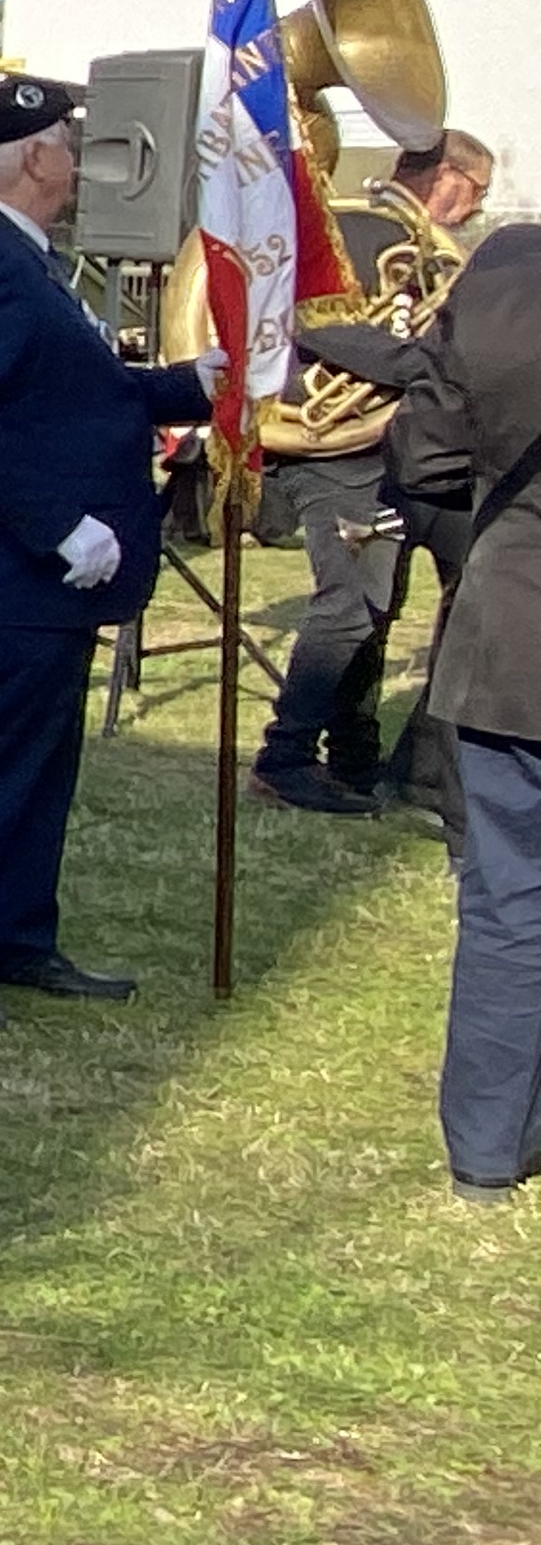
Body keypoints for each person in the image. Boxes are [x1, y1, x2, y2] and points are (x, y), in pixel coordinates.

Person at [0, 75, 220, 1031]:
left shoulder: (7, 255)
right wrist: (58, 525)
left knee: (36, 767)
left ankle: (16, 936)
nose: (75, 163)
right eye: (66, 145)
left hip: (32, 584)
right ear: (32, 157)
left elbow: (79, 391)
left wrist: (197, 382)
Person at [268, 129, 498, 827]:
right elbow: (313, 321)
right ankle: (284, 760)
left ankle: (363, 760)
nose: (474, 211)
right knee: (351, 605)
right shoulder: (357, 230)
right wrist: (413, 363)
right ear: (448, 178)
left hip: (380, 453)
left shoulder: (424, 253)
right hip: (325, 442)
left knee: (387, 600)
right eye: (477, 193)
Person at [383, 219, 541, 1197]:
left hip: (514, 627)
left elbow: (424, 463)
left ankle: (487, 1153)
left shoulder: (506, 277)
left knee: (507, 906)